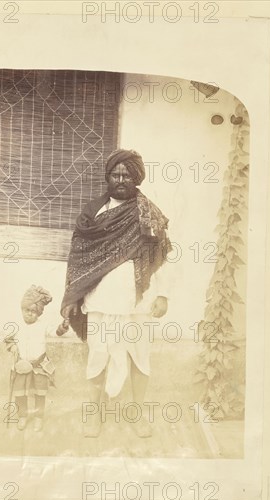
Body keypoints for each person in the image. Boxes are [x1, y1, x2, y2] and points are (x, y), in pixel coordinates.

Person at [60, 149, 172, 437]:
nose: (121, 179)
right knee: (98, 356)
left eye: (127, 174)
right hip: (100, 302)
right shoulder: (92, 215)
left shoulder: (149, 213)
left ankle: (136, 416)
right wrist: (72, 297)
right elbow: (79, 260)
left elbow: (160, 256)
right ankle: (94, 415)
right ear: (108, 177)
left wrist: (162, 295)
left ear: (136, 178)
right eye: (116, 174)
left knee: (139, 358)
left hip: (139, 305)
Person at [5, 285, 55, 432]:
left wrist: (63, 327)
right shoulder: (16, 324)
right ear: (22, 309)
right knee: (20, 393)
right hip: (21, 365)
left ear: (39, 313)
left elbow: (55, 332)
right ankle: (22, 416)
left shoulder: (43, 325)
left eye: (34, 312)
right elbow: (8, 338)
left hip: (39, 365)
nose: (30, 314)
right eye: (27, 310)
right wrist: (12, 346)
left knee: (40, 393)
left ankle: (38, 418)